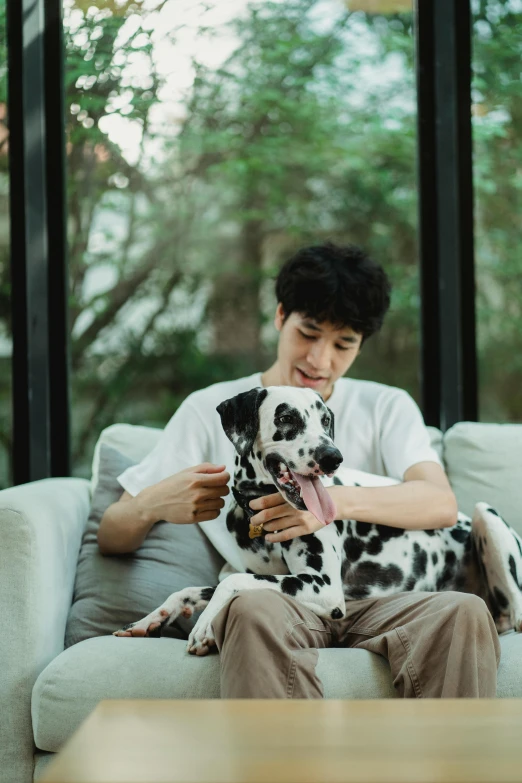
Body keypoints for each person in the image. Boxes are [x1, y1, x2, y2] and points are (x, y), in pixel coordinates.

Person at [98, 241, 500, 699]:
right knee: (248, 606)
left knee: (463, 612)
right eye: (308, 333)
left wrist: (325, 506)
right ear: (280, 316)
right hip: (283, 600)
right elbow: (113, 533)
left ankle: (452, 770)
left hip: (388, 599)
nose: (319, 360)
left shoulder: (386, 405)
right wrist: (152, 503)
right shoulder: (211, 411)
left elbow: (440, 503)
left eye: (343, 344)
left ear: (361, 344)